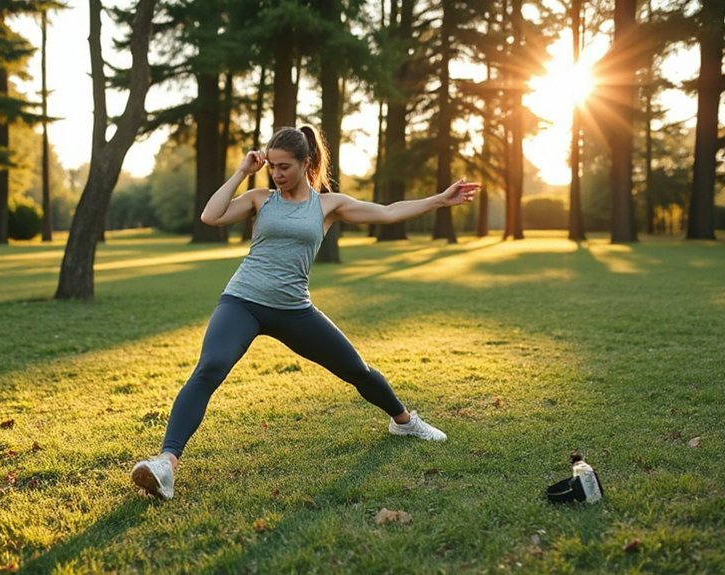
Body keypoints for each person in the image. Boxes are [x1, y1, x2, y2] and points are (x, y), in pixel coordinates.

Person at [131, 124, 479, 500]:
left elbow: (389, 211)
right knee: (209, 368)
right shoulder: (260, 198)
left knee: (356, 371)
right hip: (243, 301)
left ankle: (405, 422)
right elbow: (210, 217)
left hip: (294, 309)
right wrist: (242, 172)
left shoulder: (327, 205)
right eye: (273, 167)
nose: (277, 175)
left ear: (306, 162)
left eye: (285, 167)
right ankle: (167, 464)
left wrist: (439, 200)